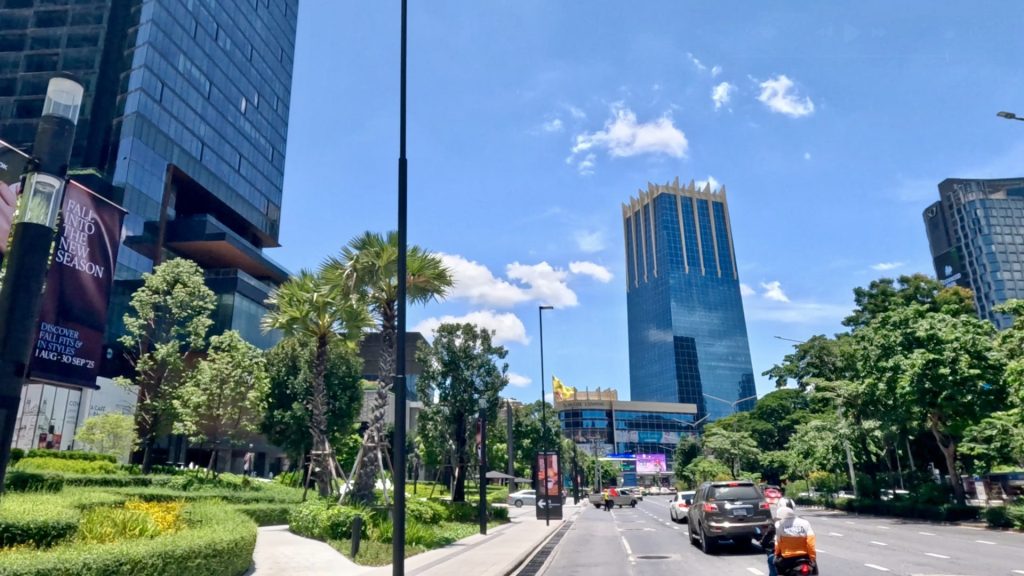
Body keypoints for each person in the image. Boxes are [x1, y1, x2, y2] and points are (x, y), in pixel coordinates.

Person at [774, 502, 817, 575]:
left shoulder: (779, 524)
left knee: (776, 565)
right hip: (805, 556)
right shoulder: (805, 522)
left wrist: (776, 554)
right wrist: (812, 557)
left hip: (787, 559)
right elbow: (811, 543)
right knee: (814, 571)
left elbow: (778, 543)